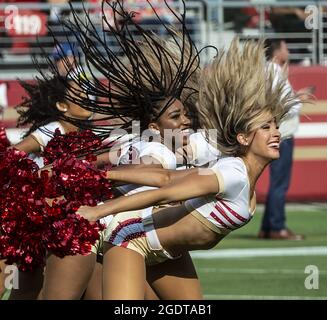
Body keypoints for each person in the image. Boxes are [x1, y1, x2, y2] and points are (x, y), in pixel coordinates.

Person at [75, 38, 298, 299]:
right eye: (265, 128)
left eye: (275, 126)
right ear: (243, 138)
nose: (276, 134)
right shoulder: (232, 174)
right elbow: (166, 187)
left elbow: (174, 174)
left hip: (168, 251)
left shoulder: (223, 160)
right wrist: (99, 207)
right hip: (131, 237)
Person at [4, 73, 93, 300]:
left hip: (64, 222)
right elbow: (10, 156)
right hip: (33, 220)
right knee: (23, 287)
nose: (87, 97)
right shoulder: (52, 130)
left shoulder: (88, 132)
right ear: (63, 106)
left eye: (86, 93)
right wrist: (30, 187)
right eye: (79, 95)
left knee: (32, 288)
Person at [258, 39, 309, 240]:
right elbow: (283, 106)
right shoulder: (275, 72)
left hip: (278, 132)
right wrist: (300, 98)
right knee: (280, 183)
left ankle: (267, 227)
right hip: (283, 134)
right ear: (278, 52)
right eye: (285, 47)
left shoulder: (268, 71)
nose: (288, 51)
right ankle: (277, 227)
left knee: (277, 182)